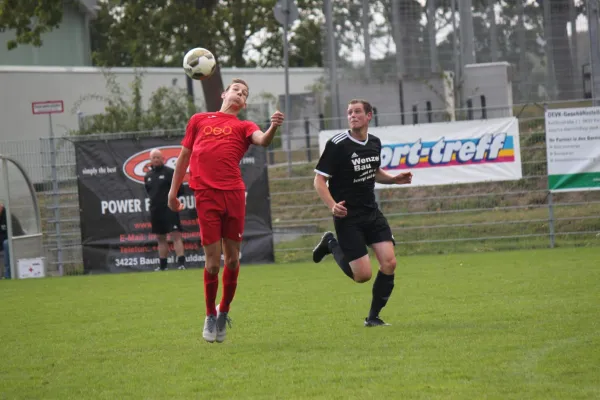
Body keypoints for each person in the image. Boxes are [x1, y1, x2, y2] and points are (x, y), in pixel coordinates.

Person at [168, 78, 284, 343]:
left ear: (243, 104)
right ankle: (209, 314)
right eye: (236, 90)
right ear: (224, 93)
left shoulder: (244, 126)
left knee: (232, 259)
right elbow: (183, 158)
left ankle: (224, 312)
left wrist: (273, 127)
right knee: (212, 262)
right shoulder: (198, 120)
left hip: (233, 194)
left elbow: (262, 140)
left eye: (244, 94)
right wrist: (172, 192)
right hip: (206, 195)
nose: (239, 94)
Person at [311, 99, 413, 327]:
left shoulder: (374, 142)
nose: (352, 115)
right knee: (362, 276)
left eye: (357, 112)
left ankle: (373, 318)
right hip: (348, 216)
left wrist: (393, 180)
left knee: (389, 263)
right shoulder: (337, 144)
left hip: (371, 213)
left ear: (369, 116)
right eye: (349, 112)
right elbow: (319, 180)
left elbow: (373, 171)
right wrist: (332, 205)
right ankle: (330, 243)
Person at [144, 149, 187, 272]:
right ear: (150, 160)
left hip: (169, 209)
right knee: (160, 238)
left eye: (158, 157)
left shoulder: (170, 172)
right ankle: (163, 266)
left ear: (163, 159)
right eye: (154, 158)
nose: (156, 160)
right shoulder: (148, 176)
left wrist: (173, 202)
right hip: (155, 211)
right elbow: (149, 191)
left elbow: (180, 189)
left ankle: (181, 264)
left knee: (176, 236)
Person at [0, 202, 25, 279]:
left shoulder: (8, 216)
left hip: (14, 241)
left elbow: (14, 233)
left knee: (6, 243)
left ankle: (8, 275)